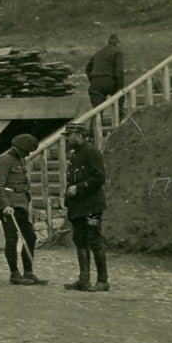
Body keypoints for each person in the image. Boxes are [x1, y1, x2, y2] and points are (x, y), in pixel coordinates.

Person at [0, 133, 48, 285]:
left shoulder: (21, 159)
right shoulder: (4, 159)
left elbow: (25, 182)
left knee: (30, 236)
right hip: (8, 207)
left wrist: (26, 198)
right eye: (26, 151)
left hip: (21, 206)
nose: (27, 154)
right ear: (18, 148)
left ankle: (28, 272)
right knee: (12, 238)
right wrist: (5, 205)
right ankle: (14, 274)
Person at [62, 123, 110, 292]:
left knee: (94, 241)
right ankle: (84, 280)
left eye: (70, 135)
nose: (68, 139)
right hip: (78, 208)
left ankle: (103, 281)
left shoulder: (91, 152)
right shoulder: (76, 155)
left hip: (91, 208)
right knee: (80, 241)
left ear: (80, 136)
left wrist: (79, 188)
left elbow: (100, 177)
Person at [85, 34, 126, 110]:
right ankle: (119, 120)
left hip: (96, 81)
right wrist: (120, 87)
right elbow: (119, 71)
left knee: (97, 110)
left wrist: (92, 80)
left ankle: (96, 121)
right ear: (117, 43)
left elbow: (88, 68)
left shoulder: (99, 52)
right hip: (109, 80)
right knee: (120, 100)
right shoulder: (118, 51)